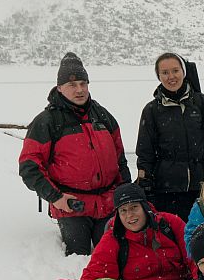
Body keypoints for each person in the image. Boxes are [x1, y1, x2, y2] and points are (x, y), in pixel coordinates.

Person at [19, 52, 130, 256]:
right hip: (71, 206)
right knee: (78, 257)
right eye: (72, 85)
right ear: (60, 88)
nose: (79, 90)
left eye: (83, 83)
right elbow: (29, 167)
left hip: (107, 203)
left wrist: (124, 194)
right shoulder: (46, 121)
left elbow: (120, 160)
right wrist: (56, 197)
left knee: (113, 254)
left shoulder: (103, 116)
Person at [78, 183, 196, 280]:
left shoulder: (170, 224)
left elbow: (196, 258)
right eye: (123, 210)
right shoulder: (113, 239)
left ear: (145, 207)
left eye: (134, 207)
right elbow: (95, 276)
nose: (129, 215)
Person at [135, 52, 204, 219]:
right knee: (174, 238)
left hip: (203, 187)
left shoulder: (202, 103)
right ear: (159, 76)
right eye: (165, 73)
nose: (171, 77)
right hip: (167, 190)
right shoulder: (152, 110)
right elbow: (145, 152)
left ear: (184, 72)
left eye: (175, 70)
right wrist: (144, 179)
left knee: (203, 237)